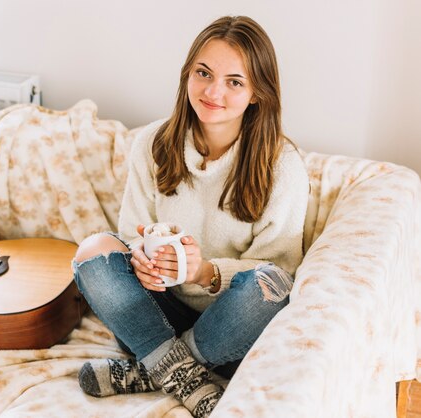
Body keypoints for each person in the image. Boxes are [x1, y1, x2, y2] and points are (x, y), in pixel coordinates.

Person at [71, 15, 309, 417]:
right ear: (187, 76)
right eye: (204, 73)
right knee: (93, 249)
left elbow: (278, 271)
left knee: (270, 286)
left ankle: (155, 370)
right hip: (155, 317)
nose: (214, 91)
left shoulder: (281, 166)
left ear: (256, 94)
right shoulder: (153, 143)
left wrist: (204, 272)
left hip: (232, 327)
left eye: (235, 81)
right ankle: (183, 373)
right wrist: (141, 261)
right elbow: (131, 233)